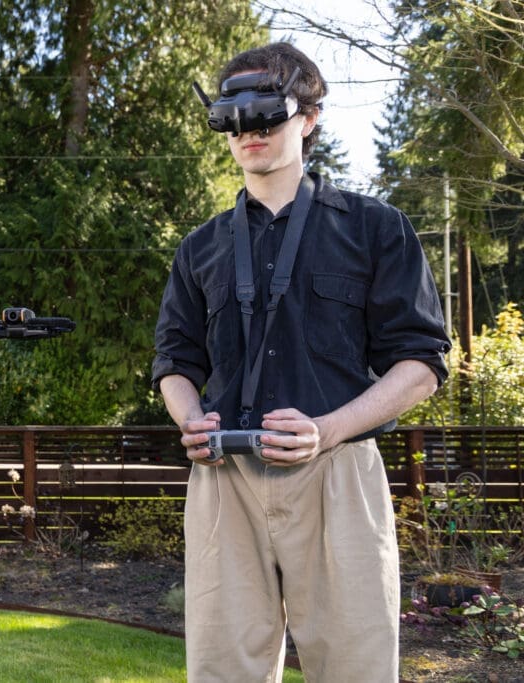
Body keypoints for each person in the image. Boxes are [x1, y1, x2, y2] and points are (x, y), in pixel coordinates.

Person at [152, 43, 450, 682]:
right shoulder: (199, 248)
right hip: (224, 477)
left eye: (266, 115)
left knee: (355, 669)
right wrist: (190, 417)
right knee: (221, 672)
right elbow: (174, 359)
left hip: (337, 476)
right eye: (235, 118)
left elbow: (421, 364)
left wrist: (329, 429)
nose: (249, 133)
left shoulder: (375, 229)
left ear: (308, 118)